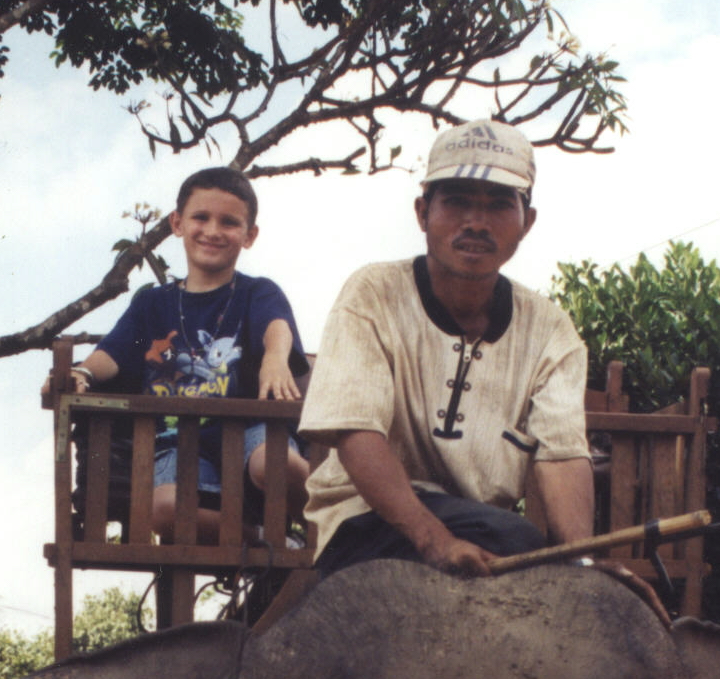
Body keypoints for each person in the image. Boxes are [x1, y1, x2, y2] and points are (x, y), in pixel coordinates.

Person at [296, 119, 666, 620]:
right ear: (423, 212)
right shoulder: (372, 294)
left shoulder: (551, 329)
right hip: (363, 520)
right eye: (457, 202)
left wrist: (581, 559)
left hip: (483, 529)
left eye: (498, 204)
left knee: (523, 548)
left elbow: (560, 455)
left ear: (526, 221)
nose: (476, 221)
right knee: (515, 538)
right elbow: (357, 432)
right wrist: (435, 541)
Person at [70, 166, 310, 543]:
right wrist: (82, 373)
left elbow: (276, 326)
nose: (213, 231)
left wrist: (275, 358)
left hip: (251, 434)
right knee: (164, 511)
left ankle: (329, 528)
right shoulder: (152, 303)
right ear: (178, 223)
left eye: (229, 222)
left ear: (249, 236)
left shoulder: (256, 292)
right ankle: (266, 537)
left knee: (276, 464)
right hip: (177, 441)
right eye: (201, 217)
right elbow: (113, 353)